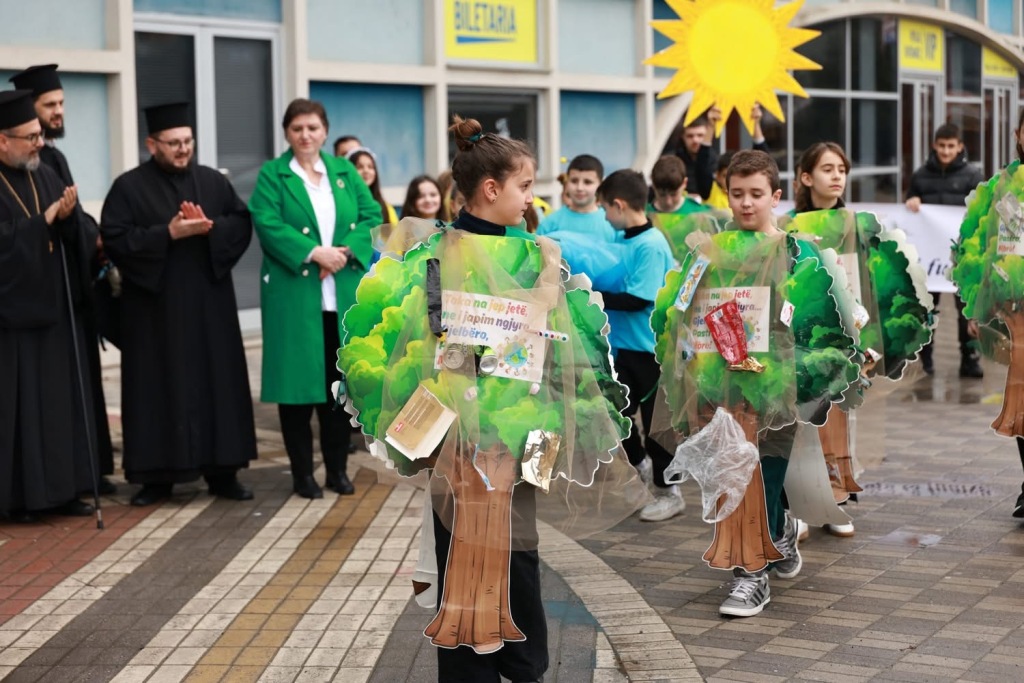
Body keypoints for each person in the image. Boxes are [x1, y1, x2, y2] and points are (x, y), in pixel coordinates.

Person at [100, 102, 257, 506]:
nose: (183, 149)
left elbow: (241, 222)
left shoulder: (212, 181)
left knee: (217, 385)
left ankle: (224, 473)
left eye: (187, 141)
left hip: (210, 309)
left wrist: (210, 228)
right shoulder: (128, 187)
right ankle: (156, 479)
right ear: (152, 144)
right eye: (173, 143)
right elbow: (115, 238)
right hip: (156, 313)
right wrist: (167, 234)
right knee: (158, 389)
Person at [249, 98, 377, 499]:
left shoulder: (344, 171)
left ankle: (337, 471)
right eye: (297, 129)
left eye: (312, 128)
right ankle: (302, 475)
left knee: (337, 391)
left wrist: (343, 252)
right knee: (296, 393)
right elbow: (266, 222)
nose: (305, 135)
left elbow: (371, 215)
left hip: (339, 298)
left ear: (325, 131)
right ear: (287, 133)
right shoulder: (273, 175)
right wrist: (313, 252)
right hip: (294, 298)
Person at [9, 63, 117, 496]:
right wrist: (47, 223)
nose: (58, 113)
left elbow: (71, 215)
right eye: (49, 105)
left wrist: (82, 229)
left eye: (61, 104)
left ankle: (75, 479)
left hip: (62, 302)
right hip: (20, 313)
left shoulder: (48, 165)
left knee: (68, 396)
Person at [0, 89, 98, 522]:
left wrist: (71, 219)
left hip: (56, 315)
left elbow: (76, 232)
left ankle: (65, 489)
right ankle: (23, 499)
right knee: (22, 412)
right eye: (30, 137)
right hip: (13, 325)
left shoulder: (46, 173)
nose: (40, 144)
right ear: (2, 140)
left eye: (39, 135)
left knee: (61, 406)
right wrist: (44, 223)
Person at [596, 169, 681, 521]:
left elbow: (637, 298)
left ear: (618, 205)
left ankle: (669, 490)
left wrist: (592, 295)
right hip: (621, 347)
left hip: (649, 350)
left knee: (656, 423)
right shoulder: (623, 241)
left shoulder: (651, 244)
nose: (603, 216)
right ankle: (640, 465)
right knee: (617, 414)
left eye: (605, 208)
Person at [905, 122, 985, 378]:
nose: (946, 151)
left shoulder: (973, 176)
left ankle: (969, 360)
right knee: (927, 309)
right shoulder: (920, 176)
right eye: (942, 145)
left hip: (963, 257)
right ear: (934, 145)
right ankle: (925, 359)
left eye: (951, 146)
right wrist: (912, 202)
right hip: (930, 259)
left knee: (966, 311)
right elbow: (909, 206)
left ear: (960, 147)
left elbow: (982, 210)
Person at [536, 154, 616, 242]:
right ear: (567, 182)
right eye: (574, 181)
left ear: (601, 185)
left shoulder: (614, 224)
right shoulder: (549, 225)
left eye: (587, 182)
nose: (579, 188)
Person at [346, 147, 397, 225]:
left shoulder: (386, 207)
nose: (366, 171)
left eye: (370, 167)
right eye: (359, 167)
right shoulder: (344, 205)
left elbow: (396, 231)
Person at [794, 142, 849, 214]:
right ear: (807, 179)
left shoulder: (855, 219)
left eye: (841, 171)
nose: (837, 176)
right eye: (827, 170)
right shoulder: (789, 220)